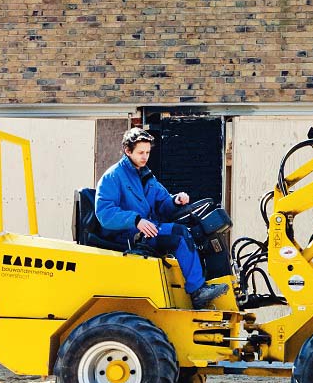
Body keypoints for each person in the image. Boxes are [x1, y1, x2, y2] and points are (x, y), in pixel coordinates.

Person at [95, 128, 229, 309]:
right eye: (141, 152)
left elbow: (162, 204)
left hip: (149, 230)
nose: (145, 157)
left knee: (194, 233)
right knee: (179, 234)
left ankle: (205, 283)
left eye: (148, 152)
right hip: (127, 235)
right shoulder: (113, 177)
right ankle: (197, 292)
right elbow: (105, 214)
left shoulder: (146, 176)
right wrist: (135, 221)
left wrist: (175, 200)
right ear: (128, 151)